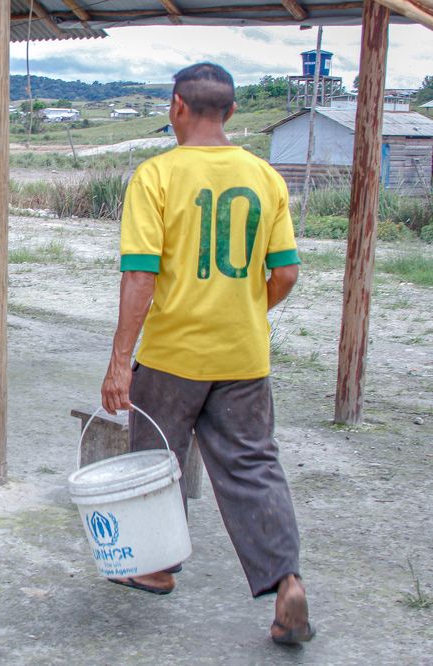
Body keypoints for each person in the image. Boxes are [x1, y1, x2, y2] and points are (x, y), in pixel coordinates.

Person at [100, 63, 313, 645]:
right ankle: (285, 580)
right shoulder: (265, 177)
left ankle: (157, 566)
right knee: (253, 464)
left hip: (172, 356)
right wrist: (245, 314)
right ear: (232, 113)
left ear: (176, 107)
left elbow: (140, 276)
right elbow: (287, 272)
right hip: (244, 356)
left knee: (158, 461)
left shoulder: (157, 176)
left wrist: (122, 359)